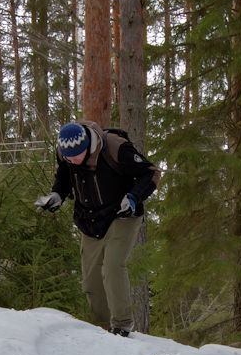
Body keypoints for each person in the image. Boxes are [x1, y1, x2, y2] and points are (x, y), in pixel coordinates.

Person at [36, 120, 157, 335]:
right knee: (91, 279)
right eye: (67, 157)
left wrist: (133, 198)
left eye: (75, 157)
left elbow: (151, 173)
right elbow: (63, 179)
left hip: (122, 214)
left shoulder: (115, 147)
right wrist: (56, 195)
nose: (71, 161)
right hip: (91, 219)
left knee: (112, 266)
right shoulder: (66, 154)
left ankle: (122, 326)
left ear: (87, 147)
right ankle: (100, 330)